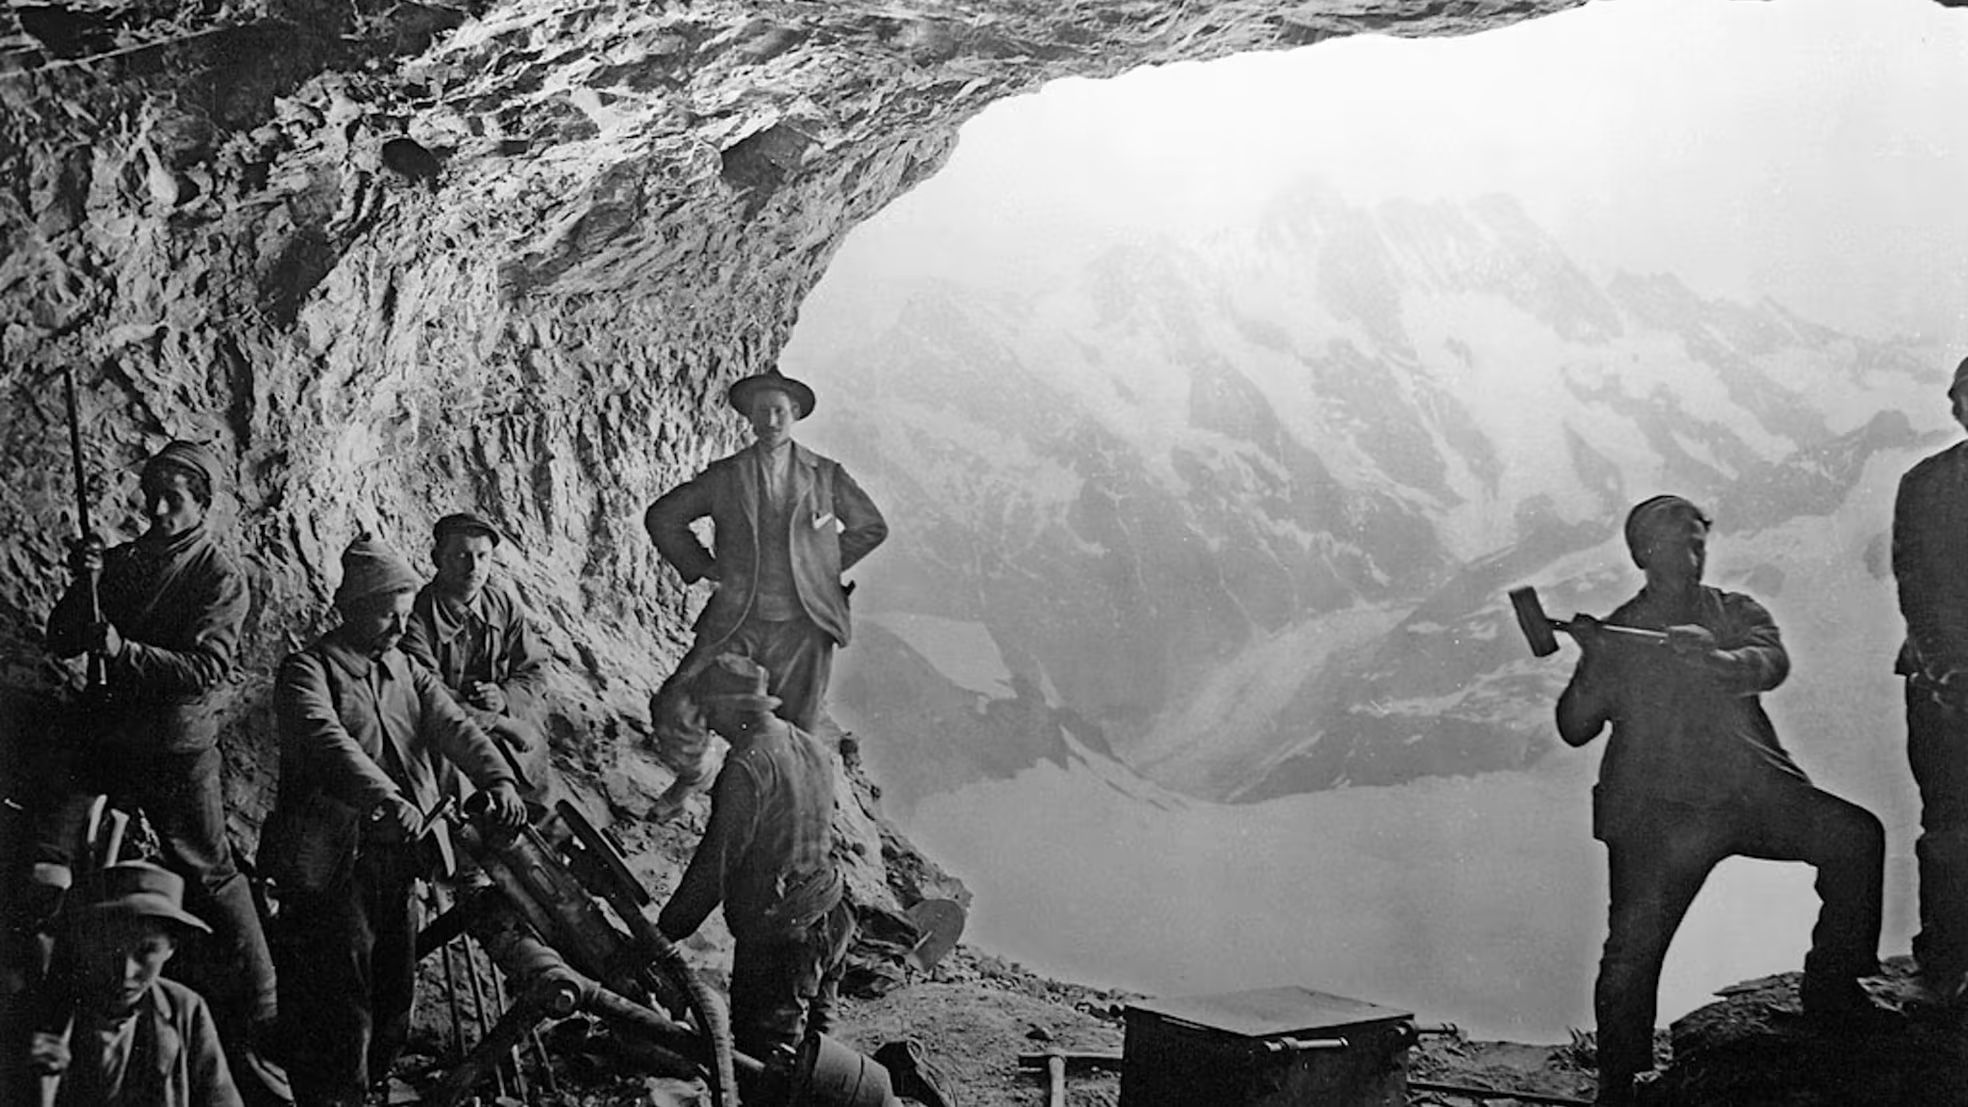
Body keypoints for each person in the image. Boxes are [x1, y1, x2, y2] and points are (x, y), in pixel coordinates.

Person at [1556, 494, 1887, 1105]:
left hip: (1748, 796)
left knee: (1855, 838)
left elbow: (1770, 660)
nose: (1695, 549)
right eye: (1681, 539)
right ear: (1643, 553)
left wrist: (1717, 658)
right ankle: (1619, 1081)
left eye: (1699, 537)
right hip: (1657, 814)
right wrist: (1592, 660)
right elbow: (1575, 726)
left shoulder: (1734, 612)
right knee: (1632, 952)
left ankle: (1832, 988)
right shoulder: (1618, 637)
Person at [258, 533, 526, 1107]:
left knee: (392, 988)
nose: (400, 629)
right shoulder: (308, 671)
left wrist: (498, 778)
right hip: (332, 860)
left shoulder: (406, 669)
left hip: (395, 858)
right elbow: (328, 743)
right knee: (340, 992)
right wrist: (386, 797)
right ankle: (337, 1096)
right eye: (387, 616)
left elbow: (457, 727)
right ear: (351, 610)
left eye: (406, 616)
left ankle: (370, 1084)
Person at [37, 440, 278, 1070]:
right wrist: (84, 582)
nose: (160, 508)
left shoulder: (219, 575)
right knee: (51, 861)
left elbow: (204, 668)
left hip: (175, 746)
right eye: (154, 496)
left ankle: (264, 1006)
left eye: (175, 498)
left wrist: (120, 650)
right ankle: (47, 1005)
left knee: (209, 871)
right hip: (107, 738)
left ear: (202, 504)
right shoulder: (122, 562)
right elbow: (62, 641)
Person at [644, 367, 886, 762]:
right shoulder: (727, 475)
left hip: (805, 625)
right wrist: (703, 565)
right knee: (678, 703)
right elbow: (664, 516)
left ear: (794, 415)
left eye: (778, 411)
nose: (770, 421)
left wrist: (817, 569)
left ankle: (769, 805)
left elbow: (870, 527)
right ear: (750, 418)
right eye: (761, 412)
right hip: (739, 616)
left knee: (794, 731)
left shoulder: (825, 474)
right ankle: (692, 773)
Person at [655, 654, 852, 1104]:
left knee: (767, 1073)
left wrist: (664, 932)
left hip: (784, 942)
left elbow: (714, 868)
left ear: (732, 709)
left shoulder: (746, 767)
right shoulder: (810, 745)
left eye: (712, 711)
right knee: (819, 1060)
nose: (708, 722)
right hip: (832, 916)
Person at [27, 861, 242, 1107]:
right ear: (88, 941)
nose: (126, 972)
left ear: (171, 947)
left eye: (146, 951)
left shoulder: (184, 1009)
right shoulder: (41, 1009)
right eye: (111, 949)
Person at [1891, 355, 1968, 1011]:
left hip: (1945, 678)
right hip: (1941, 683)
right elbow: (1918, 583)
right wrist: (1947, 665)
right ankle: (1944, 958)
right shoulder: (1924, 484)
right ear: (1955, 407)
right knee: (1947, 823)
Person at [399, 511, 553, 799]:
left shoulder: (502, 604)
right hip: (447, 727)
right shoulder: (416, 616)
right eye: (461, 556)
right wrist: (499, 722)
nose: (473, 567)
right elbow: (428, 694)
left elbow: (534, 667)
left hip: (502, 721)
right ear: (437, 558)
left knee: (532, 777)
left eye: (483, 556)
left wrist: (504, 697)